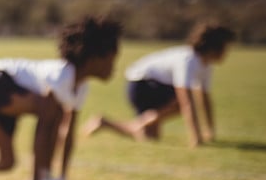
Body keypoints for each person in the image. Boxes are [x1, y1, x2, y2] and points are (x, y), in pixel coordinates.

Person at [0, 16, 122, 180]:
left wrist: (61, 179)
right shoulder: (61, 76)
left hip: (11, 91)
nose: (113, 68)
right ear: (93, 59)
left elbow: (68, 133)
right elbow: (45, 128)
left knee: (6, 162)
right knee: (51, 112)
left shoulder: (81, 87)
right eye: (111, 60)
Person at [84, 22, 236, 146]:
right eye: (225, 47)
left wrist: (210, 131)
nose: (226, 53)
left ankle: (105, 123)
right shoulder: (189, 61)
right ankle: (140, 124)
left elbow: (204, 98)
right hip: (143, 85)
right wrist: (196, 138)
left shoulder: (205, 65)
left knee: (149, 137)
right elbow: (187, 102)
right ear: (215, 46)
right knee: (181, 104)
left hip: (159, 87)